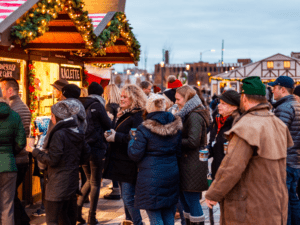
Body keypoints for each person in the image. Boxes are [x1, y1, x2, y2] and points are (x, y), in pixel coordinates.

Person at [205, 76, 293, 224]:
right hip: (275, 204)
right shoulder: (277, 123)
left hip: (250, 207)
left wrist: (213, 193)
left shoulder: (247, 126)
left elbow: (232, 166)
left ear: (244, 98)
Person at [26, 100, 91, 225]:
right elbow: (86, 155)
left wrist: (34, 151)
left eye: (52, 115)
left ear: (56, 117)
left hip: (57, 184)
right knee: (67, 219)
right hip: (71, 182)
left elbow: (53, 160)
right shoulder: (77, 132)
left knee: (52, 220)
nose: (51, 118)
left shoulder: (59, 134)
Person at [127, 94, 182, 225]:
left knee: (154, 216)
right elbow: (179, 151)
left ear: (149, 108)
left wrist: (131, 140)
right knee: (169, 213)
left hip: (150, 177)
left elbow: (135, 154)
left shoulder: (144, 128)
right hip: (171, 173)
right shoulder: (176, 125)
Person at [103, 84, 146, 225]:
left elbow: (135, 138)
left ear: (134, 98)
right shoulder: (127, 113)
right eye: (121, 96)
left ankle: (138, 223)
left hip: (128, 163)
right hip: (121, 162)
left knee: (128, 198)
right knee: (125, 197)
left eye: (124, 97)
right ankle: (130, 222)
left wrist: (116, 137)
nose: (121, 99)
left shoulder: (138, 116)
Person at [77, 82, 112, 224]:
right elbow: (108, 125)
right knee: (96, 182)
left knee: (88, 180)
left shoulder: (79, 105)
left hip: (83, 148)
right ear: (100, 94)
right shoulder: (97, 105)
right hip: (96, 148)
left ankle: (77, 210)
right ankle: (91, 217)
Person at [175, 85, 210, 225]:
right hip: (188, 164)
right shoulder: (189, 113)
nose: (176, 102)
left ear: (186, 98)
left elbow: (193, 141)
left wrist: (174, 139)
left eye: (178, 99)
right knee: (187, 202)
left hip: (192, 165)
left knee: (192, 201)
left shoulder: (194, 115)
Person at [268, 76, 300, 225]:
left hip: (286, 160)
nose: (272, 90)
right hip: (295, 161)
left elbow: (278, 136)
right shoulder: (296, 104)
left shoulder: (285, 108)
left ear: (282, 89)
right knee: (293, 198)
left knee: (283, 201)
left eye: (274, 87)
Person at [0, 77, 31, 225]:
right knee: (8, 204)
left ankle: (24, 221)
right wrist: (9, 153)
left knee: (9, 201)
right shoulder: (14, 113)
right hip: (11, 162)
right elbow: (21, 141)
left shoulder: (16, 109)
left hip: (16, 160)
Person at [207, 90, 240, 179]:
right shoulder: (217, 120)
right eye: (219, 102)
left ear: (234, 107)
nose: (219, 105)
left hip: (229, 175)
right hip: (216, 171)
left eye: (223, 103)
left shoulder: (236, 124)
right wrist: (208, 150)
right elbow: (214, 142)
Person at [103, 84, 121, 200]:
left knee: (112, 162)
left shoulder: (109, 106)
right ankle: (117, 187)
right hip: (119, 135)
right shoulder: (119, 105)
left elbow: (108, 123)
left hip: (112, 137)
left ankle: (115, 189)